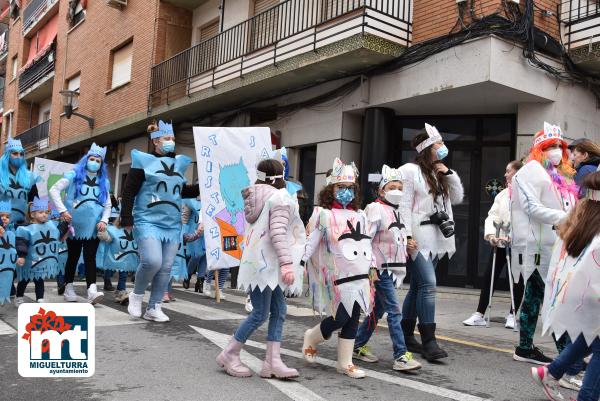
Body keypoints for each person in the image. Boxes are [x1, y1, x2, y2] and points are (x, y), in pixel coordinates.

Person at [216, 159, 305, 379]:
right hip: (270, 265)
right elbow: (277, 232)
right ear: (281, 175)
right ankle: (229, 354)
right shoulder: (280, 198)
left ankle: (272, 362)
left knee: (277, 311)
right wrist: (286, 263)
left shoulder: (259, 197)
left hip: (259, 264)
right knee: (260, 313)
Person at [510, 122, 582, 373]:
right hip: (538, 246)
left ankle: (525, 346)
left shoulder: (562, 174)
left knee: (535, 297)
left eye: (559, 146)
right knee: (552, 298)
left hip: (560, 245)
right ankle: (567, 355)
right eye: (550, 146)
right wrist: (567, 218)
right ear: (538, 149)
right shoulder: (531, 171)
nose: (555, 150)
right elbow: (531, 208)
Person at [531, 171, 600, 401]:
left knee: (592, 338)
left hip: (582, 296)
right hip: (592, 295)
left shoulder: (582, 219)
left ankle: (552, 371)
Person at [301, 158, 374, 379]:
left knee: (353, 319)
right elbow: (312, 241)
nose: (346, 192)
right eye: (341, 187)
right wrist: (300, 263)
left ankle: (345, 363)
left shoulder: (360, 214)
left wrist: (373, 268)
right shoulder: (323, 214)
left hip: (360, 275)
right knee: (340, 317)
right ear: (331, 189)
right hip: (337, 276)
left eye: (350, 188)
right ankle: (312, 337)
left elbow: (366, 244)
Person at [398, 123, 464, 361]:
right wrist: (405, 235)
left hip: (438, 237)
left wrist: (448, 174)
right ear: (427, 147)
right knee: (428, 284)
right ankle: (429, 341)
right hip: (419, 237)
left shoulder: (439, 172)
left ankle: (405, 335)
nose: (443, 146)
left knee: (417, 286)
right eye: (439, 143)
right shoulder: (408, 170)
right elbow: (403, 206)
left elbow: (457, 198)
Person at [120, 120, 197, 322]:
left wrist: (203, 186)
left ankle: (154, 307)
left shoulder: (178, 164)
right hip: (147, 220)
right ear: (155, 141)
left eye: (173, 138)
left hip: (172, 224)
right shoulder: (142, 161)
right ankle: (136, 296)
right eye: (167, 138)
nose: (171, 142)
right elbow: (128, 191)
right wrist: (126, 216)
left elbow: (183, 190)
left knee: (166, 267)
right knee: (152, 261)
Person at [352, 165, 422, 371]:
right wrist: (370, 268)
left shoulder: (396, 211)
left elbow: (392, 238)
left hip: (393, 269)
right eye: (393, 187)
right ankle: (401, 355)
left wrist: (407, 244)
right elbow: (366, 239)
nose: (397, 191)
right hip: (380, 269)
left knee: (378, 310)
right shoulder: (375, 208)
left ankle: (356, 344)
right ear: (382, 190)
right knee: (394, 310)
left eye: (400, 187)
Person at [463, 160, 525, 328]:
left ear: (518, 173)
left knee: (517, 280)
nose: (505, 175)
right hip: (500, 241)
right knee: (489, 277)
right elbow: (493, 216)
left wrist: (515, 235)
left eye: (508, 171)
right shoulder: (502, 194)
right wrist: (491, 235)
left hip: (519, 244)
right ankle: (479, 314)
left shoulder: (527, 194)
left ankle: (513, 314)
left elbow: (528, 219)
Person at [49, 143, 112, 305]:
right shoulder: (73, 175)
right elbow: (54, 190)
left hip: (93, 227)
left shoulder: (104, 182)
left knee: (90, 258)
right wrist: (63, 211)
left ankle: (92, 289)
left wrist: (104, 220)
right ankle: (69, 287)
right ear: (86, 160)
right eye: (92, 159)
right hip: (74, 226)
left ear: (101, 164)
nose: (94, 163)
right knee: (73, 257)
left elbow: (108, 205)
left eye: (98, 161)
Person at [15, 197, 68, 304]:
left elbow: (58, 233)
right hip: (30, 261)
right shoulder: (26, 229)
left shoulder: (51, 225)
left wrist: (65, 223)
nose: (44, 214)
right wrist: (21, 256)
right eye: (40, 212)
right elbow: (21, 243)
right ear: (32, 214)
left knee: (39, 280)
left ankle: (40, 298)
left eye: (46, 212)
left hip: (41, 263)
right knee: (24, 280)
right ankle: (19, 297)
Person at [96, 207, 139, 305]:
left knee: (123, 274)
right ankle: (106, 278)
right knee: (109, 272)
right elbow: (107, 238)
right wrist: (102, 231)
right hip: (114, 257)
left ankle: (121, 291)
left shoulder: (135, 231)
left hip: (126, 259)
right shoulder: (114, 230)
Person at [0, 135, 40, 228]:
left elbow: (35, 201)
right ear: (7, 155)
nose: (19, 156)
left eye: (21, 154)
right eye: (15, 153)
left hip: (21, 225)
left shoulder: (30, 176)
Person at [0, 200, 17, 305]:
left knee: (11, 272)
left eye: (7, 216)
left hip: (10, 259)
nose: (4, 218)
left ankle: (10, 288)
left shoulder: (13, 230)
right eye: (1, 215)